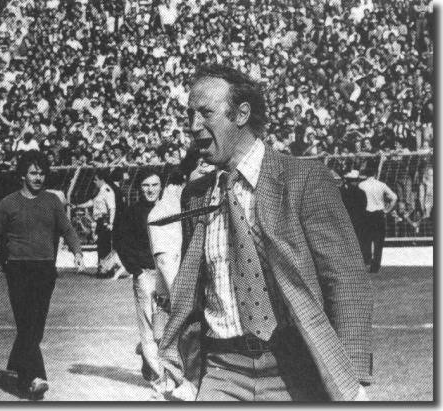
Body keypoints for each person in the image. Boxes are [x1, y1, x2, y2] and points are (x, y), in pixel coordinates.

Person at [157, 64, 373, 401]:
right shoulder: (196, 193)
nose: (193, 126)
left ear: (241, 113)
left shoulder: (304, 180)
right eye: (190, 115)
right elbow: (196, 288)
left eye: (205, 114)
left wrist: (353, 378)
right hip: (221, 369)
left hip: (294, 367)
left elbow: (345, 280)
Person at [0, 150, 84, 399]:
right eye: (33, 173)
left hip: (45, 269)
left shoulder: (52, 201)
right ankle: (36, 378)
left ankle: (19, 367)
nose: (38, 177)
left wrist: (78, 251)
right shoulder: (8, 203)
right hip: (17, 269)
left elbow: (67, 229)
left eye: (42, 173)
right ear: (23, 175)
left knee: (35, 327)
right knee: (27, 323)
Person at [113, 168, 165, 387]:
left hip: (168, 273)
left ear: (161, 186)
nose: (150, 189)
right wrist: (136, 269)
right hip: (145, 273)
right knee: (147, 326)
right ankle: (159, 376)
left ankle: (151, 359)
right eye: (146, 185)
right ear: (139, 188)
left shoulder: (168, 209)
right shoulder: (132, 212)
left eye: (154, 185)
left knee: (167, 324)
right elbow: (120, 241)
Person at [75, 170, 116, 273]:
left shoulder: (107, 190)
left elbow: (112, 207)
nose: (94, 181)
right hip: (99, 221)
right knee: (101, 245)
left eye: (96, 179)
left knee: (105, 246)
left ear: (102, 180)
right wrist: (78, 206)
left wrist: (110, 223)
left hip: (104, 221)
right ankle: (102, 269)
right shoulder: (100, 191)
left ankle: (106, 270)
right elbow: (92, 202)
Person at [359, 168, 398, 273]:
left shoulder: (361, 185)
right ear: (375, 173)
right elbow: (394, 197)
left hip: (367, 213)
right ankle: (375, 266)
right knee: (378, 241)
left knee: (366, 239)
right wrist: (387, 210)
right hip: (379, 214)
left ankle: (366, 262)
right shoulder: (381, 185)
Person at [340, 169, 368, 262]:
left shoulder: (342, 192)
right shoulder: (361, 193)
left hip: (348, 219)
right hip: (358, 219)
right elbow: (364, 206)